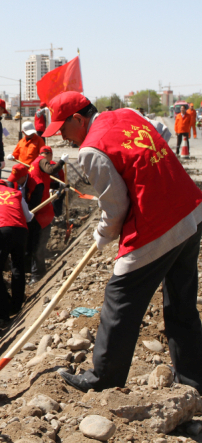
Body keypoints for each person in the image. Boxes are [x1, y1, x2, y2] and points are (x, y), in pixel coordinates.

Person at [40, 92, 202, 394]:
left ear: (78, 119)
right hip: (191, 210)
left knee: (120, 297)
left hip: (158, 224)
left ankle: (103, 379)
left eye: (63, 128)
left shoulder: (91, 150)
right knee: (181, 305)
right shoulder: (128, 114)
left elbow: (116, 208)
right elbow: (161, 137)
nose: (62, 137)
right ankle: (194, 381)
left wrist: (101, 235)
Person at [0, 178, 34, 319]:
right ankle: (16, 305)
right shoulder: (16, 193)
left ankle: (1, 310)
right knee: (18, 267)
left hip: (2, 230)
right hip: (21, 231)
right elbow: (28, 217)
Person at [25, 146, 68, 284]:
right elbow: (51, 170)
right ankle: (36, 273)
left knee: (35, 244)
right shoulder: (42, 160)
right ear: (48, 154)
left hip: (38, 210)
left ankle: (35, 271)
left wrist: (60, 187)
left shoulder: (34, 165)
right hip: (39, 213)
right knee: (37, 245)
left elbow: (46, 182)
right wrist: (62, 162)